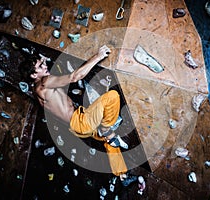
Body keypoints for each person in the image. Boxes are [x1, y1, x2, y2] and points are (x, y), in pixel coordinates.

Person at [19, 45, 136, 185]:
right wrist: (98, 56)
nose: (45, 66)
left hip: (76, 126)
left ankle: (122, 175)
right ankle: (106, 130)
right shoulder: (44, 83)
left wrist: (40, 60)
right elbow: (74, 77)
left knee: (108, 139)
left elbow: (58, 112)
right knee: (113, 96)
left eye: (43, 63)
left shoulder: (36, 91)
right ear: (33, 75)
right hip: (81, 122)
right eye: (40, 66)